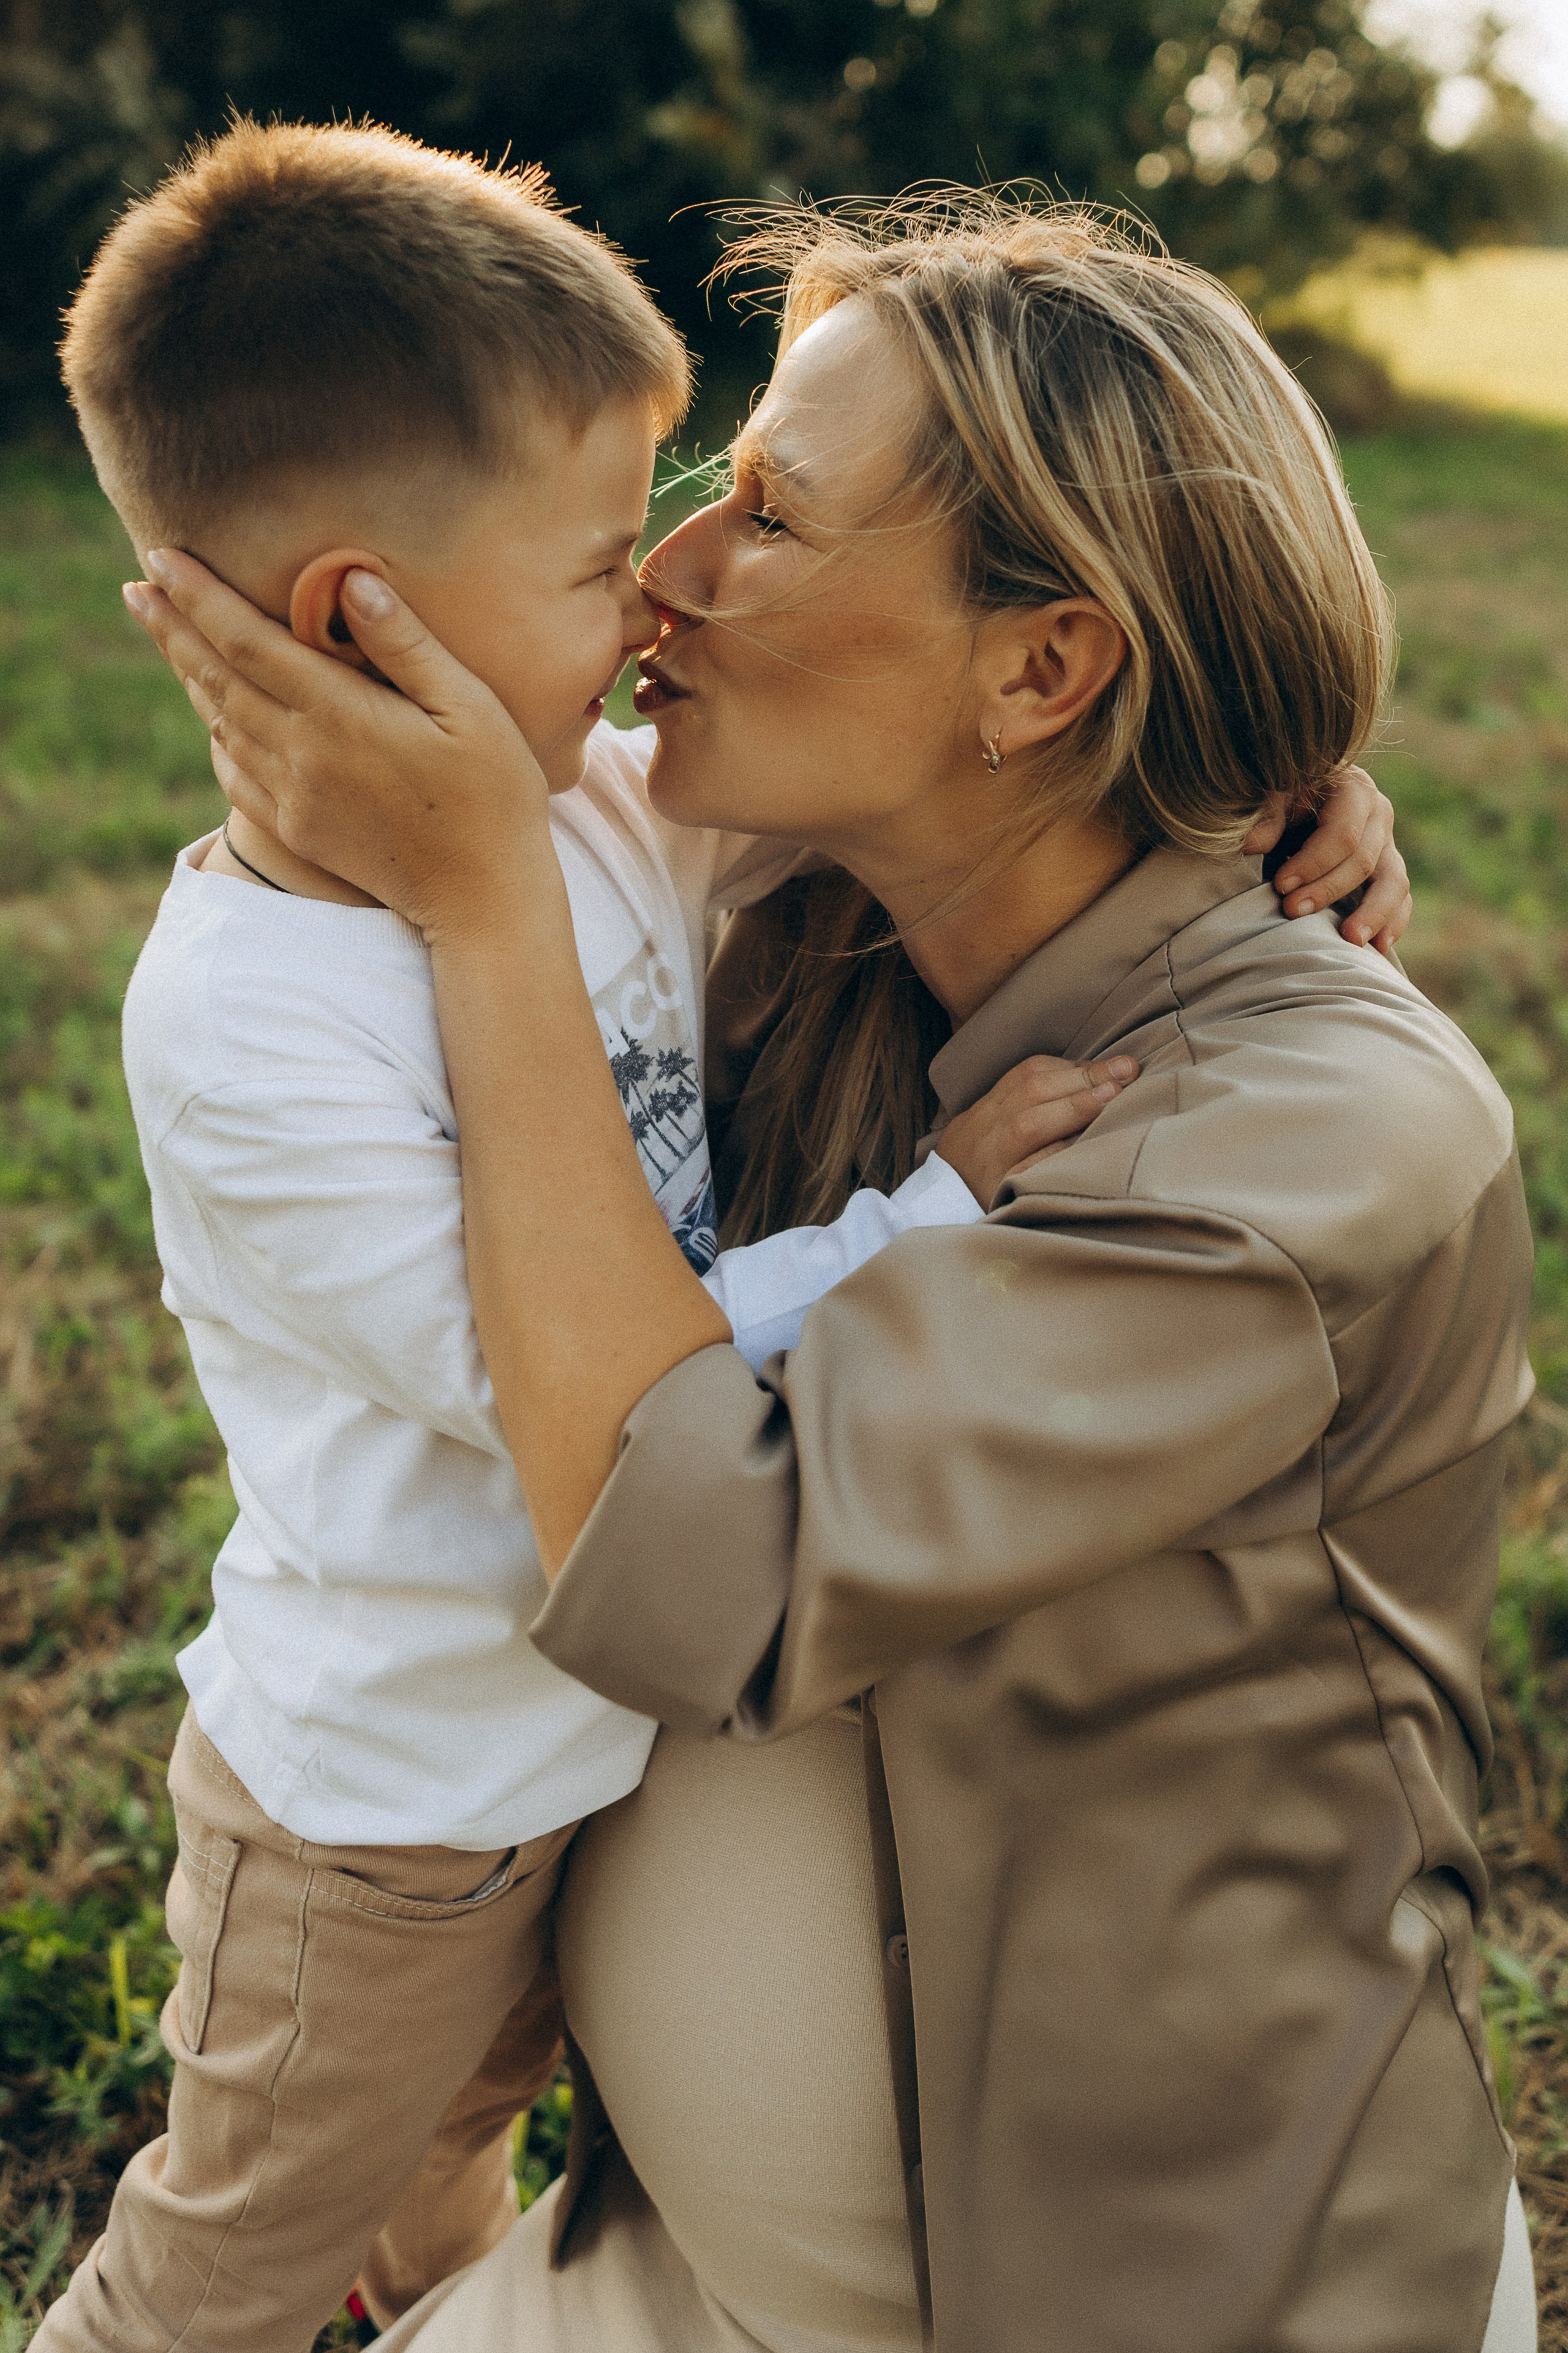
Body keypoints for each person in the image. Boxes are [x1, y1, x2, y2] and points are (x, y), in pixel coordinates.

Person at [120, 197, 1496, 2353]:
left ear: (1042, 670)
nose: (663, 571)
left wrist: (482, 907)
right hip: (653, 2272)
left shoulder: (1310, 1136)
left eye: (761, 512)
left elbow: (685, 1554)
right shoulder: (812, 932)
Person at [45, 126, 1147, 2353]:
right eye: (586, 564)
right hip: (381, 1825)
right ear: (368, 619)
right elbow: (587, 1372)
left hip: (568, 1762)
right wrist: (933, 1217)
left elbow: (911, 801)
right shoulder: (254, 1031)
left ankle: (440, 2281)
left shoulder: (593, 813)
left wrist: (1258, 799)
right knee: (226, 2265)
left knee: (456, 2145)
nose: (652, 597)